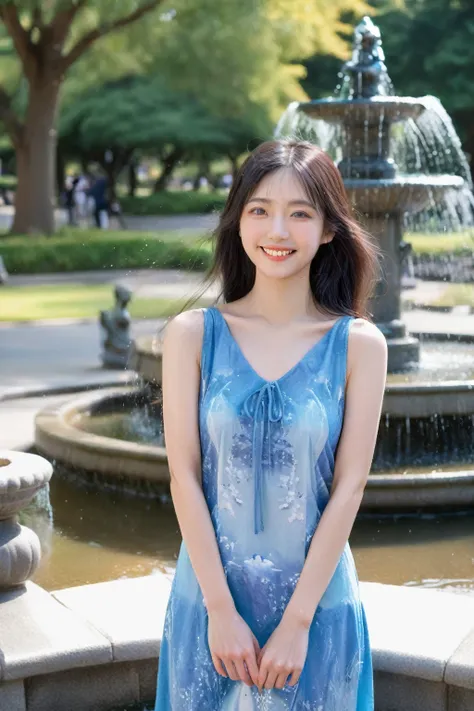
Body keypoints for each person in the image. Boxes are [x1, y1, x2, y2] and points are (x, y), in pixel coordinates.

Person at [154, 140, 387, 710]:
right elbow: (184, 477)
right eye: (259, 209)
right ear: (238, 221)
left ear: (329, 229)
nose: (277, 229)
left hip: (317, 612)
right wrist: (219, 611)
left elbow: (349, 487)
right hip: (209, 605)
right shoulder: (192, 335)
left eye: (300, 213)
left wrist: (298, 623)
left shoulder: (358, 345)